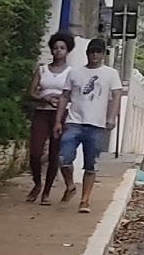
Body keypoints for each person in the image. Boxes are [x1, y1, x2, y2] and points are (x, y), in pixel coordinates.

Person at [53, 38, 125, 213]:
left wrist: (111, 117)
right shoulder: (75, 72)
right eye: (92, 51)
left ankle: (85, 200)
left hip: (97, 124)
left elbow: (116, 96)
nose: (94, 55)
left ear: (103, 54)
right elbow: (64, 96)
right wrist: (58, 121)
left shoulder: (111, 74)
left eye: (98, 52)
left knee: (91, 164)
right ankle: (70, 185)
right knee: (63, 158)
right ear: (87, 53)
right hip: (74, 121)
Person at [26, 34, 75, 202]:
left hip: (60, 114)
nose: (58, 51)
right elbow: (31, 92)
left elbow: (73, 95)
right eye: (55, 48)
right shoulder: (42, 70)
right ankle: (37, 183)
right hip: (42, 112)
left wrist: (61, 98)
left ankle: (46, 192)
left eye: (62, 48)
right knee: (35, 152)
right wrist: (44, 97)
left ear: (67, 51)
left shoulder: (71, 73)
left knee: (55, 153)